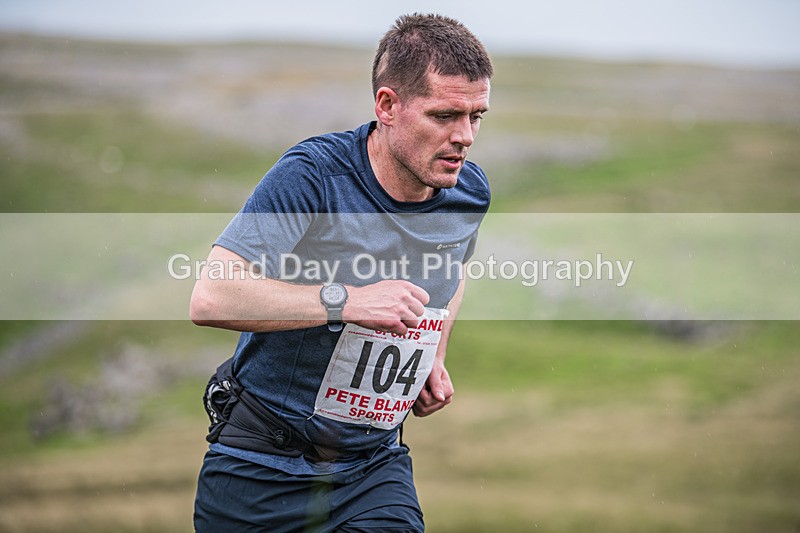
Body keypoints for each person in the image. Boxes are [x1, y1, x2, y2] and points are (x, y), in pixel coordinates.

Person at [190, 13, 493, 532]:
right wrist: (348, 301)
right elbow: (213, 297)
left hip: (373, 468)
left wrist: (433, 352)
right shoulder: (314, 176)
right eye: (444, 115)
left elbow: (454, 270)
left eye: (476, 116)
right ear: (388, 106)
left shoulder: (467, 191)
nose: (464, 136)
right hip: (260, 464)